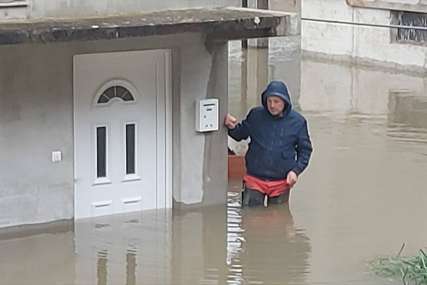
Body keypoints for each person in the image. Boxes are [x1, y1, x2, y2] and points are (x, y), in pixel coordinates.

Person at [225, 80, 313, 207]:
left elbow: (305, 150)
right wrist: (229, 126)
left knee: (278, 220)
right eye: (269, 101)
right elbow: (240, 134)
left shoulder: (298, 122)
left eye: (276, 102)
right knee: (250, 218)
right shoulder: (256, 116)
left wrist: (295, 171)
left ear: (285, 102)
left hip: (281, 182)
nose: (272, 105)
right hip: (254, 179)